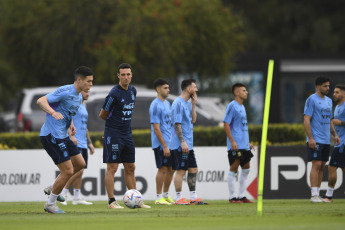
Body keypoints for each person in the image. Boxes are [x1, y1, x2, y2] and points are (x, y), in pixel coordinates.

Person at [38, 66, 94, 214]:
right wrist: (52, 112)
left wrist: (71, 125)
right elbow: (41, 101)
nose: (91, 84)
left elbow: (67, 112)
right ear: (80, 80)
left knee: (80, 164)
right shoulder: (66, 90)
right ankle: (50, 204)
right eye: (89, 81)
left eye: (92, 81)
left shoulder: (78, 96)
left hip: (63, 135)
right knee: (68, 170)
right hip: (51, 135)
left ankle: (53, 186)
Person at [99, 63, 150, 209]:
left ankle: (136, 200)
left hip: (127, 134)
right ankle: (111, 202)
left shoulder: (133, 91)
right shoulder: (114, 93)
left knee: (130, 167)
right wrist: (111, 131)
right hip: (114, 134)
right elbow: (102, 114)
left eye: (128, 74)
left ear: (131, 75)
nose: (126, 77)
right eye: (123, 75)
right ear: (118, 76)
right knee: (113, 167)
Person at [170, 79, 207, 205]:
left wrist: (194, 104)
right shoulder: (178, 103)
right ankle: (179, 198)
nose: (196, 90)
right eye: (194, 87)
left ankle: (193, 196)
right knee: (181, 170)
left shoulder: (187, 103)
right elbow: (177, 124)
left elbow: (193, 120)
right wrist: (182, 142)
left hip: (188, 144)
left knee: (193, 169)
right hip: (180, 144)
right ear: (188, 89)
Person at [304, 76, 340, 203]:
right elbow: (306, 119)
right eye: (325, 86)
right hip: (315, 138)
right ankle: (313, 195)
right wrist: (311, 138)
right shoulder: (311, 99)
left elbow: (330, 120)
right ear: (318, 86)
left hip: (325, 139)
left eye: (329, 86)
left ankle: (318, 194)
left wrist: (334, 134)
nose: (328, 88)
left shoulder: (329, 101)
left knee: (322, 166)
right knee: (316, 164)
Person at [57, 90, 95, 205]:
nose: (88, 93)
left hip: (83, 142)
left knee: (81, 171)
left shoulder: (84, 105)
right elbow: (67, 120)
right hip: (75, 142)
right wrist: (70, 136)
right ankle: (63, 192)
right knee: (77, 169)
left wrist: (89, 142)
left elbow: (85, 125)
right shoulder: (74, 103)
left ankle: (77, 197)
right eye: (86, 91)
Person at [223, 83, 255, 203]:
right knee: (234, 168)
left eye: (246, 90)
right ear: (237, 93)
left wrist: (247, 143)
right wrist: (232, 141)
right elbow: (226, 124)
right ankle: (232, 197)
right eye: (243, 90)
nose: (246, 92)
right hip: (235, 145)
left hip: (244, 145)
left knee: (246, 169)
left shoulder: (242, 107)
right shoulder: (232, 106)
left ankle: (242, 195)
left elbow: (242, 127)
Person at [149, 79, 175, 205]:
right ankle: (158, 198)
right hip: (161, 144)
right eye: (165, 88)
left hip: (170, 143)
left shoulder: (167, 104)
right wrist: (164, 145)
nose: (168, 90)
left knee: (171, 169)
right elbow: (156, 127)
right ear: (158, 89)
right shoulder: (155, 105)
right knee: (163, 169)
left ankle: (165, 195)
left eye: (168, 87)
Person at [324, 84, 345, 202]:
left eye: (337, 92)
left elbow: (340, 122)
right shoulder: (337, 107)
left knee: (332, 167)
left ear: (344, 94)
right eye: (334, 92)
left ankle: (329, 196)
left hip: (343, 143)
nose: (334, 94)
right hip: (339, 141)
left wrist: (341, 123)